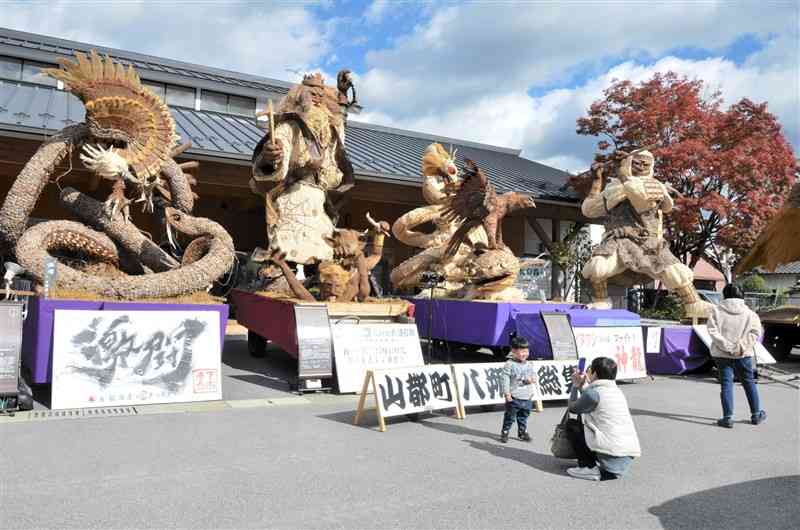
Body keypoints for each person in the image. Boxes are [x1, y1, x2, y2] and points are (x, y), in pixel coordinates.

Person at [565, 357, 641, 481]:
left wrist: (575, 385)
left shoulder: (594, 394)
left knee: (572, 425)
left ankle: (588, 468)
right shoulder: (616, 391)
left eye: (589, 369)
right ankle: (603, 466)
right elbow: (590, 398)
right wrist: (582, 386)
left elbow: (573, 408)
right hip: (625, 455)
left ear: (594, 373)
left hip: (611, 454)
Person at [707, 283, 767, 428]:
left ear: (724, 295)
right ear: (742, 295)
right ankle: (756, 414)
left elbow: (712, 331)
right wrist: (740, 347)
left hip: (721, 355)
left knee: (726, 384)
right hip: (743, 354)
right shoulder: (751, 314)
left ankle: (727, 417)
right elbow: (755, 333)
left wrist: (727, 346)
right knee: (749, 382)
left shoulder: (716, 311)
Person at [499, 336, 536, 443]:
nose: (524, 354)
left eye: (526, 351)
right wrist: (506, 394)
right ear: (514, 351)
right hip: (514, 397)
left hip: (527, 396)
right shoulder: (509, 365)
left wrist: (533, 379)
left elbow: (534, 375)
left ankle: (522, 432)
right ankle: (505, 432)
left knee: (523, 416)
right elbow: (504, 379)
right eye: (522, 351)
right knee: (510, 417)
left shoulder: (529, 364)